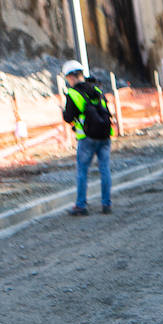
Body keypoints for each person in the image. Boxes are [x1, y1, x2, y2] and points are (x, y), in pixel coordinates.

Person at [61, 60, 114, 216]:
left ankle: (81, 205)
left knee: (83, 172)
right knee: (104, 169)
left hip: (86, 138)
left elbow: (69, 117)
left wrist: (64, 113)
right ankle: (106, 204)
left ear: (69, 77)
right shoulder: (96, 89)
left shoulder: (73, 93)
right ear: (82, 74)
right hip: (105, 135)